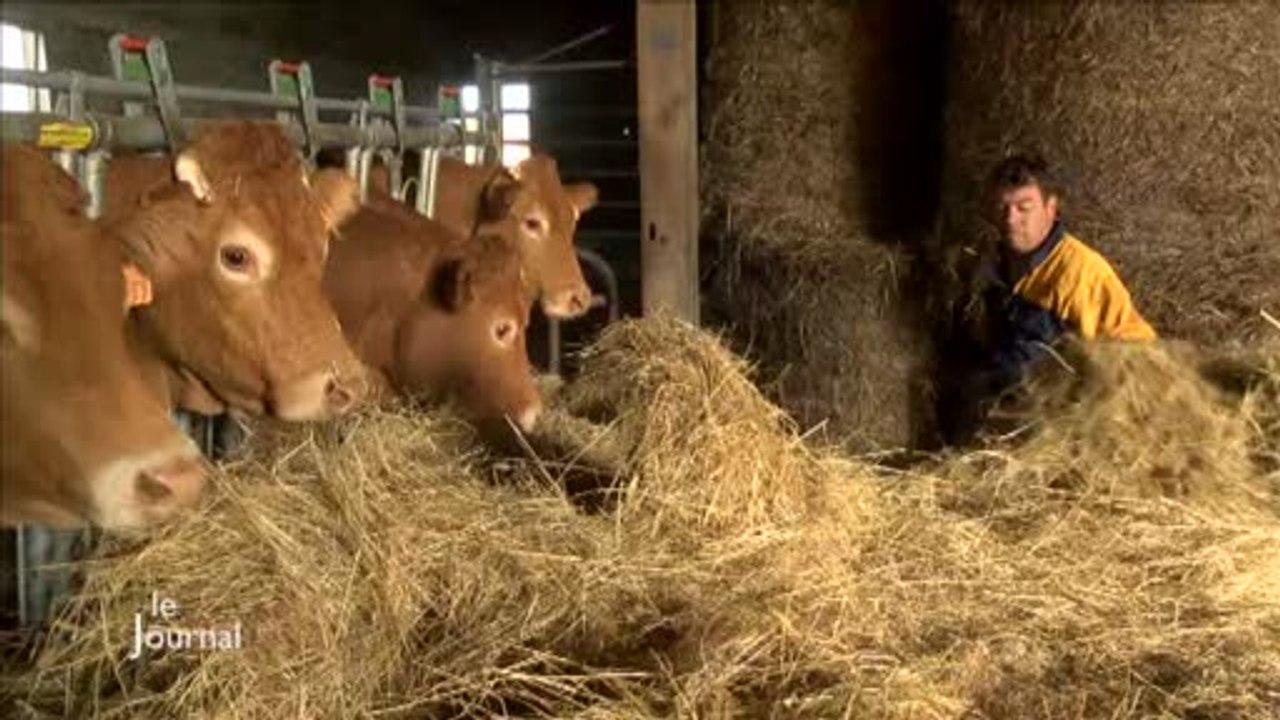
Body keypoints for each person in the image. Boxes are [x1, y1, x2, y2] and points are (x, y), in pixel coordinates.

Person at [940, 152, 1157, 444]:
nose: (1011, 219)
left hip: (1056, 424)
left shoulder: (1082, 273)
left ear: (1051, 208)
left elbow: (1139, 353)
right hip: (1001, 409)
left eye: (1024, 208)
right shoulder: (989, 263)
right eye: (1003, 207)